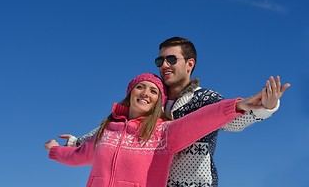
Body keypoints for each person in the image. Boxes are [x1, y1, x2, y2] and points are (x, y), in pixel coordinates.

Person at [59, 37, 291, 187]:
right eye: (160, 60)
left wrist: (265, 107)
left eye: (171, 59)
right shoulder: (151, 100)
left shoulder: (204, 98)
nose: (164, 65)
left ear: (190, 64)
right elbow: (116, 131)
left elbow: (231, 121)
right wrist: (75, 142)